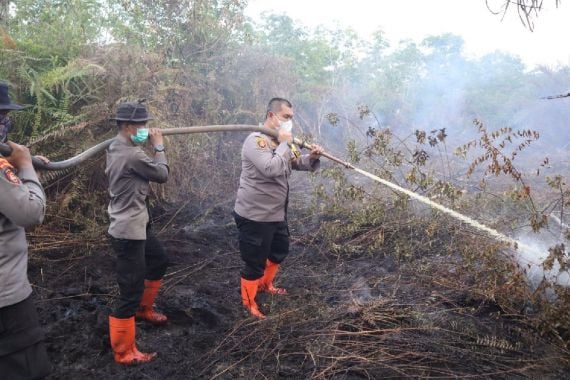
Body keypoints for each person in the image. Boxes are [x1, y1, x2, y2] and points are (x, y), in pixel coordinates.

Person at [234, 97, 323, 319]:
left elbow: (295, 162)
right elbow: (271, 168)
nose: (289, 122)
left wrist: (311, 158)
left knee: (278, 252)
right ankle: (249, 304)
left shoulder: (281, 141)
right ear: (271, 115)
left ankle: (265, 285)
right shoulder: (256, 141)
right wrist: (284, 143)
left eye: (291, 118)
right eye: (286, 117)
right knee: (254, 262)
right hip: (255, 215)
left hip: (276, 212)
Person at [105, 101, 169, 364]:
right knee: (129, 292)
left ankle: (144, 309)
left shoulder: (118, 146)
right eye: (142, 125)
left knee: (159, 261)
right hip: (127, 230)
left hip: (138, 223)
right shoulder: (133, 155)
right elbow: (163, 174)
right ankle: (124, 352)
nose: (146, 129)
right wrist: (159, 146)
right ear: (128, 126)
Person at [0, 82, 51, 379]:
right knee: (27, 370)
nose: (5, 123)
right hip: (6, 299)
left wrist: (24, 167)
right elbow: (31, 212)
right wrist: (26, 168)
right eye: (1, 117)